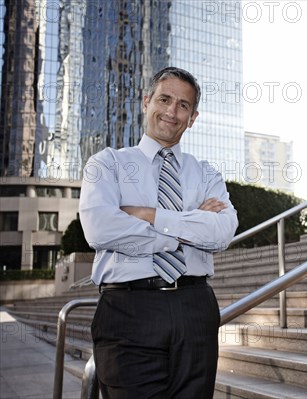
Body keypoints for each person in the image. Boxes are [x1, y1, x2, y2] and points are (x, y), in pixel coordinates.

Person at [79, 66, 238, 398]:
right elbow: (101, 229)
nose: (171, 111)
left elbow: (222, 232)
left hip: (196, 309)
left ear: (193, 117)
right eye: (164, 99)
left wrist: (148, 215)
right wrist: (189, 225)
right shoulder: (107, 164)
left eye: (183, 105)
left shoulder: (206, 173)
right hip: (128, 311)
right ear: (146, 101)